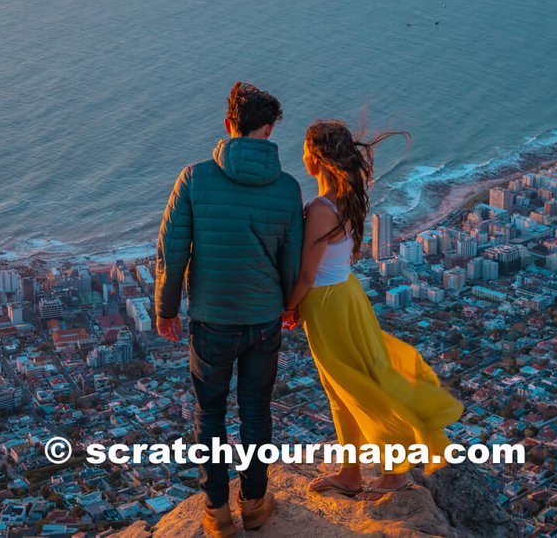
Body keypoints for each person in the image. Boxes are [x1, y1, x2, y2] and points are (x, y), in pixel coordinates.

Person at [283, 119, 463, 500]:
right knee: (358, 383)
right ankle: (360, 472)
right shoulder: (349, 196)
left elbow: (306, 274)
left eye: (303, 149)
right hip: (348, 296)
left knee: (350, 389)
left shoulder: (319, 207)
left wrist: (288, 307)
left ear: (315, 157)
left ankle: (382, 474)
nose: (300, 155)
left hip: (327, 304)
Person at [156, 82, 304, 537]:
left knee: (210, 415)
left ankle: (217, 512)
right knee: (257, 410)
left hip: (212, 321)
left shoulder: (195, 178)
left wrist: (167, 308)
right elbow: (291, 258)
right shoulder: (286, 189)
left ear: (228, 126)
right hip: (263, 320)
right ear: (272, 128)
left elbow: (172, 248)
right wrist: (290, 306)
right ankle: (256, 502)